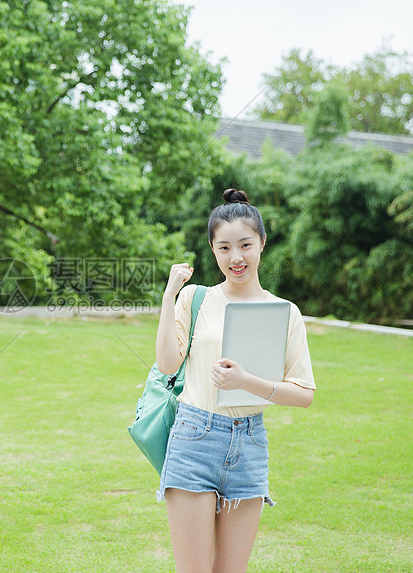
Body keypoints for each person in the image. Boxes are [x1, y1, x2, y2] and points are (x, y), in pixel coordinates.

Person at [155, 188, 315, 573]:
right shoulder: (196, 299)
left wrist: (248, 381)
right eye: (224, 248)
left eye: (245, 244)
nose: (236, 257)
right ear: (213, 250)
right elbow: (167, 363)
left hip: (249, 444)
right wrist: (169, 294)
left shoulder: (284, 313)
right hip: (193, 437)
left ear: (261, 243)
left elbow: (304, 394)